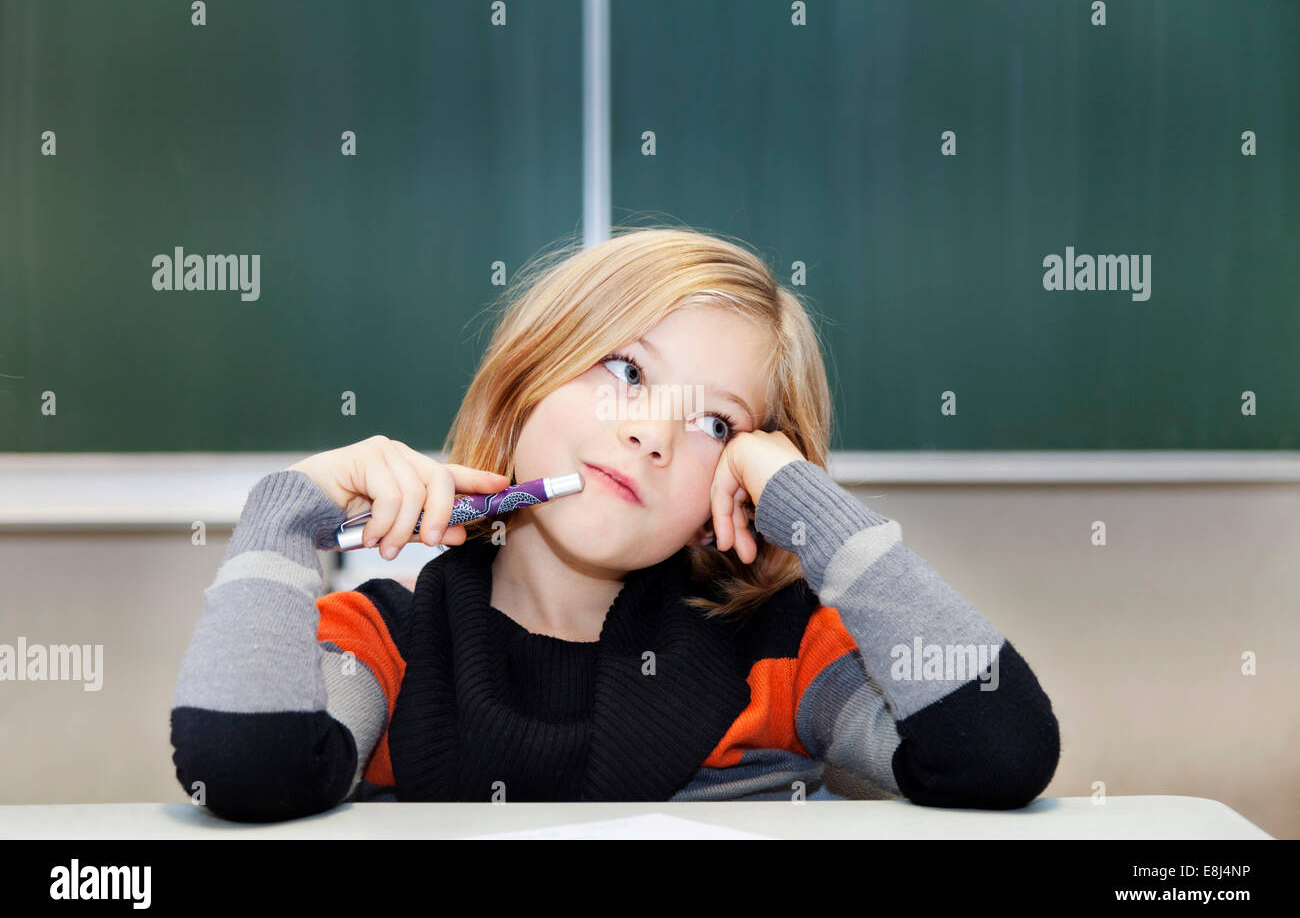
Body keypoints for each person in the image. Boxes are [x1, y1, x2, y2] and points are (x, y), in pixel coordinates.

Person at [170, 225, 1060, 821]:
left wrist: (804, 504)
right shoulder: (383, 645)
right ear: (527, 376)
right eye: (627, 371)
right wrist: (284, 517)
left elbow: (1000, 749)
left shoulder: (782, 660)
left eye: (717, 425)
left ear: (737, 491)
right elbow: (248, 770)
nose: (651, 432)